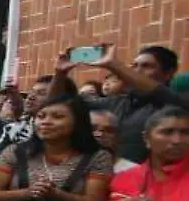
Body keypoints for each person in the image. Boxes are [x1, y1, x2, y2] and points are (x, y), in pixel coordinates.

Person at [0, 94, 112, 201]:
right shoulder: (15, 152)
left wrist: (57, 195)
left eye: (57, 117)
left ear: (78, 122)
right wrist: (29, 192)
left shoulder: (97, 156)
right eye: (41, 116)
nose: (45, 122)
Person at [51, 44, 188, 163]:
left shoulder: (176, 104)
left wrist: (114, 64)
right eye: (134, 66)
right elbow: (57, 104)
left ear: (169, 73)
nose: (136, 71)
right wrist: (60, 73)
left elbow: (159, 93)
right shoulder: (115, 102)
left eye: (146, 66)